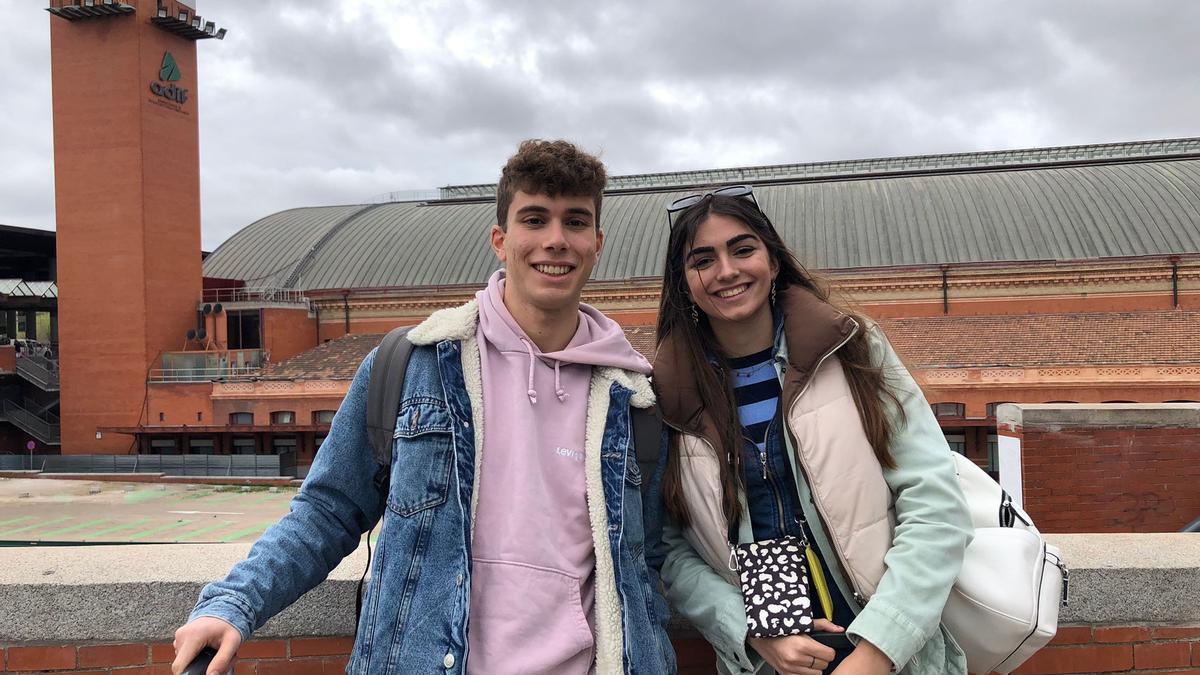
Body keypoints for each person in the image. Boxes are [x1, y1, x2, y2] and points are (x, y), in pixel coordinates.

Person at [172, 140, 677, 675]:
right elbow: (328, 510)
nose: (555, 240)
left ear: (596, 242)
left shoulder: (635, 398)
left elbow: (643, 563)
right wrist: (235, 603)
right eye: (535, 219)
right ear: (500, 239)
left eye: (575, 222)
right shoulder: (413, 365)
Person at [650, 186, 972, 675]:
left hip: (890, 653)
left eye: (742, 249)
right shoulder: (668, 391)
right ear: (685, 282)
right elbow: (671, 547)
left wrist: (878, 649)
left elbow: (934, 503)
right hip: (768, 663)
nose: (727, 271)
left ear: (773, 261)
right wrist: (750, 632)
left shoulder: (852, 349)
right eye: (703, 260)